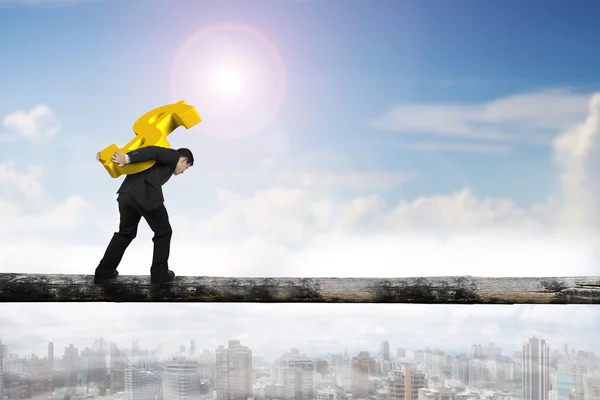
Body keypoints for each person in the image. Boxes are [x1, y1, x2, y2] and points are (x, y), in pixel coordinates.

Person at [94, 145, 194, 284]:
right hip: (146, 195)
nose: (184, 171)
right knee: (164, 232)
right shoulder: (173, 156)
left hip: (127, 194)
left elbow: (138, 149)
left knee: (125, 233)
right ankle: (159, 275)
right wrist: (127, 158)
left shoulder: (159, 165)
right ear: (183, 160)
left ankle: (103, 272)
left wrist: (105, 157)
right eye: (187, 167)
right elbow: (153, 151)